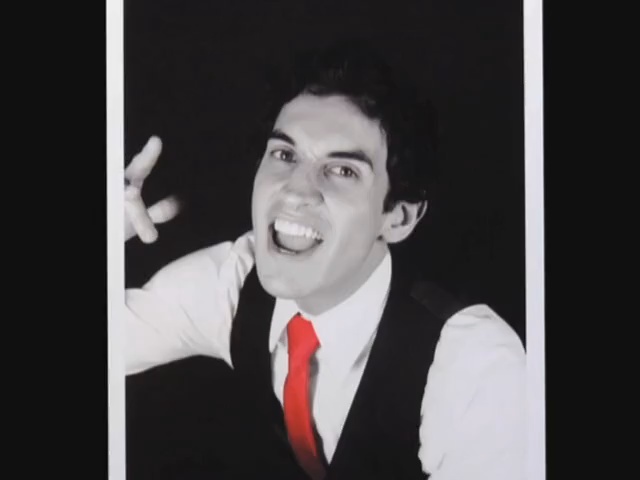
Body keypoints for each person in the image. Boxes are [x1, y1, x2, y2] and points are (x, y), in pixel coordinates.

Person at [123, 42, 526, 480]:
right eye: (285, 155)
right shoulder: (234, 283)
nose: (296, 190)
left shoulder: (474, 366)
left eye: (343, 171)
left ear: (398, 218)